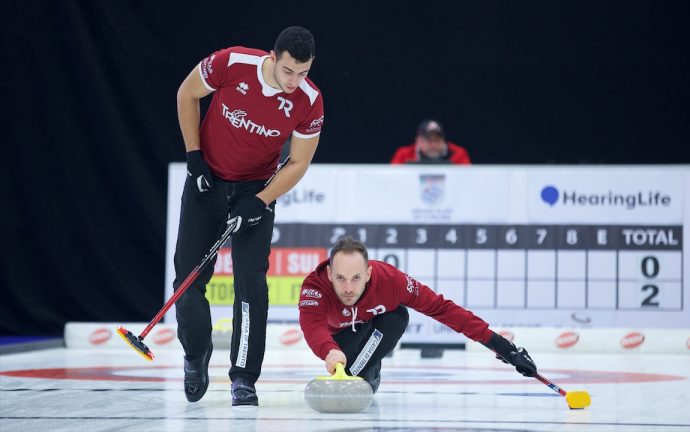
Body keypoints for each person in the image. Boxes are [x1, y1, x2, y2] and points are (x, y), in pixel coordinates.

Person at [174, 26, 324, 406]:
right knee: (188, 280)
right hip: (206, 178)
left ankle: (244, 377)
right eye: (288, 71)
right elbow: (187, 94)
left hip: (255, 189)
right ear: (272, 58)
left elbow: (300, 161)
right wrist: (194, 158)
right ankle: (195, 355)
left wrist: (260, 200)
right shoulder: (232, 62)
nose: (295, 81)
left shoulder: (309, 100)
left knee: (251, 285)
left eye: (303, 73)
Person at [298, 238, 537, 394]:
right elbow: (313, 327)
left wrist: (503, 347)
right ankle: (358, 369)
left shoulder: (392, 281)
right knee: (343, 353)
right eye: (340, 278)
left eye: (356, 278)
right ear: (329, 273)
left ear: (369, 273)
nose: (348, 288)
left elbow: (442, 309)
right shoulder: (314, 286)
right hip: (338, 343)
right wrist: (330, 350)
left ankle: (362, 373)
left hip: (374, 333)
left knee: (397, 316)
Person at [390, 119, 471, 164]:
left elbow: (467, 179)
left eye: (437, 140)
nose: (433, 144)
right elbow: (393, 179)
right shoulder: (404, 154)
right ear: (418, 141)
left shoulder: (459, 153)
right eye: (429, 140)